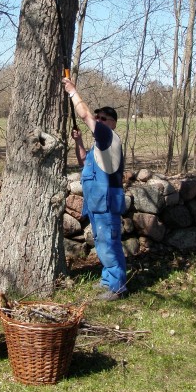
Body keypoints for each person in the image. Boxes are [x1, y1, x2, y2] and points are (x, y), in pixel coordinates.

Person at [62, 77, 128, 300]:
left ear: (113, 123)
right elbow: (84, 163)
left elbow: (85, 115)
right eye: (98, 117)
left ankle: (117, 287)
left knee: (110, 244)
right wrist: (79, 142)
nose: (99, 120)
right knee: (102, 244)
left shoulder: (109, 137)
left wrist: (72, 92)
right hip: (97, 204)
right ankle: (108, 280)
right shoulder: (99, 145)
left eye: (104, 118)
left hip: (107, 203)